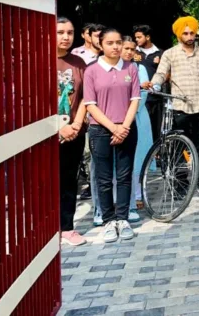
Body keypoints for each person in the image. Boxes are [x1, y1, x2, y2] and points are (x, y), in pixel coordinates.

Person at [84, 28, 141, 243]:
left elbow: (135, 99)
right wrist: (113, 128)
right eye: (110, 43)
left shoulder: (131, 68)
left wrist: (124, 127)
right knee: (104, 178)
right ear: (101, 44)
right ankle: (108, 221)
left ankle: (122, 218)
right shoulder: (92, 71)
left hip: (127, 127)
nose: (115, 47)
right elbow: (90, 105)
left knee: (125, 176)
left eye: (119, 42)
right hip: (100, 130)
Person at [151, 16, 199, 197]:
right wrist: (155, 85)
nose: (189, 36)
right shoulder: (170, 53)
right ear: (179, 34)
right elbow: (161, 73)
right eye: (185, 33)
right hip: (179, 107)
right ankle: (181, 184)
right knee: (178, 148)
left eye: (192, 33)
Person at [57, 17, 88, 246]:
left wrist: (76, 124)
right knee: (43, 182)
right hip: (47, 132)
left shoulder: (78, 62)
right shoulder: (37, 60)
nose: (66, 37)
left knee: (69, 179)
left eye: (70, 32)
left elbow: (87, 96)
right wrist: (59, 127)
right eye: (60, 32)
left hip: (75, 130)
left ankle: (67, 228)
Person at [120, 37, 153, 222]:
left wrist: (128, 115)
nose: (129, 52)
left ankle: (138, 195)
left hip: (138, 117)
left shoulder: (139, 69)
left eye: (132, 49)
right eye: (126, 48)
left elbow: (143, 94)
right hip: (114, 120)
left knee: (137, 160)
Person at [133, 24, 164, 145]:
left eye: (139, 37)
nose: (136, 40)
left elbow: (167, 73)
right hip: (139, 96)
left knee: (156, 127)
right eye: (135, 37)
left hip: (155, 97)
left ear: (147, 37)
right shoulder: (133, 52)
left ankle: (155, 154)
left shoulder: (161, 53)